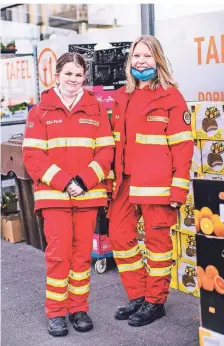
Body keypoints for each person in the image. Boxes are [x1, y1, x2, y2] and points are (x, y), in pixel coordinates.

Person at [22, 52, 114, 337]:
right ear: (57, 75)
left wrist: (84, 181)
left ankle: (79, 309)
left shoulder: (96, 109)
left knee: (81, 256)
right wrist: (65, 182)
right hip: (55, 197)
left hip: (86, 195)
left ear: (84, 77)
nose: (73, 79)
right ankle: (56, 312)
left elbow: (106, 151)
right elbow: (33, 155)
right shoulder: (39, 111)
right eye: (68, 74)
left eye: (78, 74)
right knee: (58, 254)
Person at [108, 35, 194, 327]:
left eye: (146, 56)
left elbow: (183, 146)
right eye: (136, 56)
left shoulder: (171, 97)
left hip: (157, 185)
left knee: (157, 246)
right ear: (129, 60)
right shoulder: (122, 97)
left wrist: (178, 188)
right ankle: (138, 295)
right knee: (119, 239)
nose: (140, 61)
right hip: (125, 183)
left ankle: (155, 302)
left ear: (157, 59)